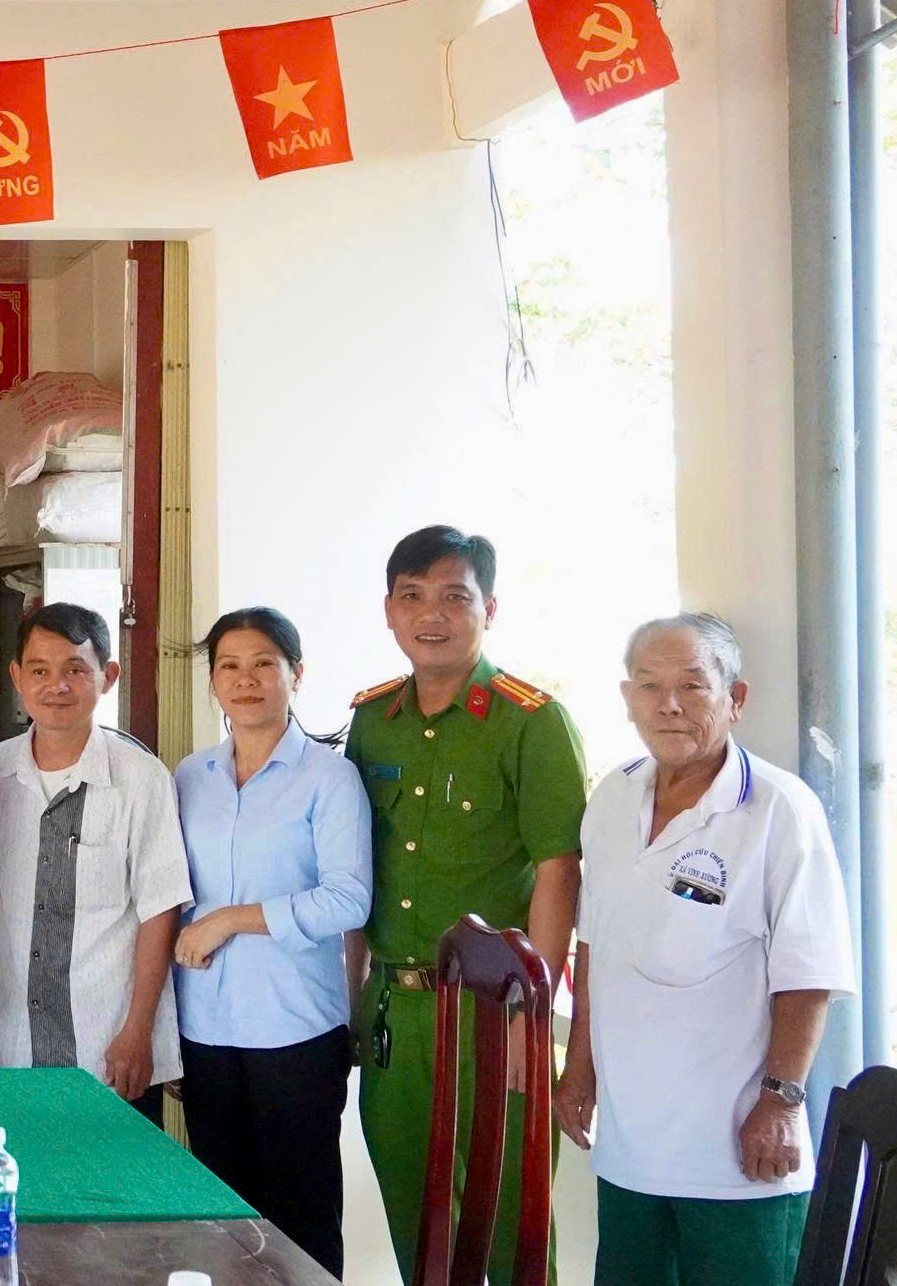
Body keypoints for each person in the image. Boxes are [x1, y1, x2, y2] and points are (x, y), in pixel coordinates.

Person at [553, 614, 853, 1286]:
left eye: (693, 686)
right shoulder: (613, 796)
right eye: (649, 685)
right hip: (629, 1149)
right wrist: (580, 1067)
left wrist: (781, 1103)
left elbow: (808, 975)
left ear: (734, 699)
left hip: (738, 1155)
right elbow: (594, 941)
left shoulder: (779, 809)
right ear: (628, 698)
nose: (670, 705)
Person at [347, 525, 589, 1284]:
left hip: (494, 1014)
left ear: (489, 608)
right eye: (413, 596)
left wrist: (529, 1011)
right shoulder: (371, 719)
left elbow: (559, 871)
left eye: (455, 596)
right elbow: (357, 867)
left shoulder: (532, 721)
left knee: (514, 1229)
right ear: (389, 610)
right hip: (396, 1014)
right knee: (417, 1225)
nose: (432, 615)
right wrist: (352, 1000)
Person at [171, 608, 371, 1279]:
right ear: (212, 681)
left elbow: (348, 899)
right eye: (229, 666)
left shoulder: (329, 777)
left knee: (301, 1220)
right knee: (221, 1222)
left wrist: (231, 919)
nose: (246, 679)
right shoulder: (190, 776)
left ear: (296, 674)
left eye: (264, 664)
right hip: (206, 1028)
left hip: (296, 1030)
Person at [0, 604, 189, 1124]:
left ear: (108, 676)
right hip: (5, 1041)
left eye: (75, 669)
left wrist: (139, 1031)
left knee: (111, 1175)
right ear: (17, 677)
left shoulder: (141, 778)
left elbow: (160, 910)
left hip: (107, 1042)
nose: (57, 686)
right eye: (40, 670)